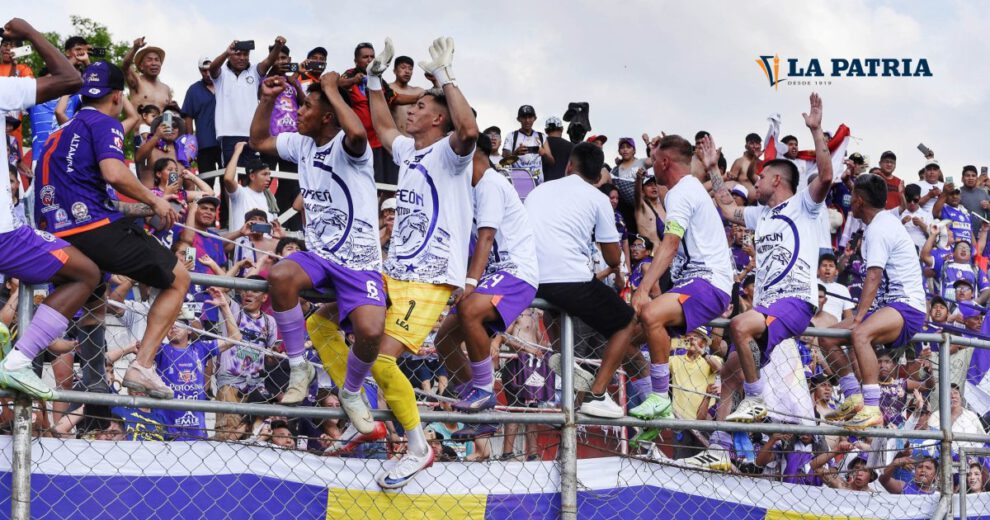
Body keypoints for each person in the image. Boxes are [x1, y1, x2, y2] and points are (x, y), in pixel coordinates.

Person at [33, 61, 189, 400]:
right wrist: (156, 200)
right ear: (118, 97)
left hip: (57, 234)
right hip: (92, 229)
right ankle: (142, 365)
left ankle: (92, 395)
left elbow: (87, 192)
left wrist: (143, 209)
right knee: (179, 277)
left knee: (94, 298)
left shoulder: (60, 130)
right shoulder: (105, 122)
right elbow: (114, 174)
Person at [366, 36, 478, 488]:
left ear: (438, 118)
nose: (408, 111)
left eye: (418, 107)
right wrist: (374, 79)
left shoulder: (451, 153)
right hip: (396, 272)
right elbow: (382, 125)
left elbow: (469, 130)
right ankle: (358, 412)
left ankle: (417, 447)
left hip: (429, 281)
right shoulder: (410, 152)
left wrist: (446, 77)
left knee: (382, 361)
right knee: (327, 320)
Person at [249, 71, 387, 416]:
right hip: (321, 257)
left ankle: (351, 392)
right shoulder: (301, 143)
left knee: (371, 332)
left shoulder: (349, 147)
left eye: (306, 106)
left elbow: (358, 133)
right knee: (280, 275)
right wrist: (266, 99)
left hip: (359, 263)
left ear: (327, 116)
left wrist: (329, 87)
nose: (297, 111)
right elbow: (259, 140)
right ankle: (299, 367)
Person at [698, 93, 832, 426]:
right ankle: (719, 443)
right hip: (766, 306)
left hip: (794, 301)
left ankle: (756, 399)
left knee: (738, 326)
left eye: (760, 177)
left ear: (776, 179)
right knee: (729, 374)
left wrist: (816, 131)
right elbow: (727, 208)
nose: (755, 181)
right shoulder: (761, 214)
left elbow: (827, 177)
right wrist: (713, 168)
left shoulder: (803, 205)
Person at [0, 18, 104, 401]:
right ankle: (17, 362)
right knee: (85, 273)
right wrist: (28, 32)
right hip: (4, 235)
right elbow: (70, 78)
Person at [625, 134, 734, 421]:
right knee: (626, 341)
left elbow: (670, 244)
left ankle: (660, 398)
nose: (650, 166)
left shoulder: (683, 191)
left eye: (654, 160)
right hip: (691, 281)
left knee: (650, 313)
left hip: (707, 280)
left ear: (664, 162)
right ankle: (657, 410)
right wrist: (711, 168)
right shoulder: (683, 189)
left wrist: (643, 289)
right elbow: (669, 189)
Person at [526, 141, 638, 418]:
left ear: (569, 166)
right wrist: (613, 260)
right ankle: (597, 394)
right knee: (627, 321)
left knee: (554, 308)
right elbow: (613, 257)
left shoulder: (539, 190)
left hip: (531, 278)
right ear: (599, 176)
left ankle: (564, 355)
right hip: (569, 279)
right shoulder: (598, 198)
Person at [434, 132, 538, 413]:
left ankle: (483, 389)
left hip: (516, 271)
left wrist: (468, 284)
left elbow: (486, 238)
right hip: (492, 275)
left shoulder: (490, 183)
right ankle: (482, 413)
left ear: (471, 152)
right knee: (443, 340)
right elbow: (468, 247)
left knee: (468, 308)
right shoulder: (468, 191)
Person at [818, 174, 927, 429]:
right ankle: (853, 397)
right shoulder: (879, 223)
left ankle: (871, 406)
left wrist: (858, 317)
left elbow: (874, 275)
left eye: (852, 197)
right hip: (887, 307)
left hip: (906, 306)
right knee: (826, 338)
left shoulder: (880, 228)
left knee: (860, 333)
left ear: (858, 200)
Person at [155, 292, 240, 439]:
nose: (173, 326)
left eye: (179, 322)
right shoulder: (159, 350)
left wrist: (225, 307)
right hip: (167, 434)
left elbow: (235, 338)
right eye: (170, 323)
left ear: (190, 329)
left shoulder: (200, 348)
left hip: (197, 433)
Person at [209, 37, 284, 166]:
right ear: (230, 56)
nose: (242, 58)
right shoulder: (222, 74)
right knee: (231, 173)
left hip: (252, 135)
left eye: (246, 54)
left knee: (252, 174)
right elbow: (212, 68)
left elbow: (269, 61)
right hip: (228, 134)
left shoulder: (254, 72)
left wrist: (278, 46)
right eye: (238, 54)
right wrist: (226, 52)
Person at [223, 142, 276, 231]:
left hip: (266, 240)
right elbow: (228, 179)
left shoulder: (270, 197)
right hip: (244, 240)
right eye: (264, 174)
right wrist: (237, 152)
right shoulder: (241, 193)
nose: (269, 179)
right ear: (252, 176)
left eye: (269, 175)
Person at [181, 56, 220, 173]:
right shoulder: (193, 90)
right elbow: (188, 118)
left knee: (227, 178)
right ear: (200, 70)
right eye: (204, 70)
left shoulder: (224, 85)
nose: (208, 73)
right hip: (204, 144)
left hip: (224, 142)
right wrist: (191, 145)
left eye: (210, 69)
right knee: (206, 179)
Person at [502, 105, 554, 180]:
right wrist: (515, 153)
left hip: (538, 183)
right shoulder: (511, 136)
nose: (527, 120)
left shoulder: (542, 136)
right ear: (518, 119)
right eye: (524, 117)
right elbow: (504, 162)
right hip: (517, 181)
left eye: (530, 117)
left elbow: (552, 162)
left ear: (535, 118)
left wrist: (544, 153)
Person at [121, 37, 172, 111]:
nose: (154, 63)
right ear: (141, 66)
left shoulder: (166, 89)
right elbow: (125, 66)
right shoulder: (137, 81)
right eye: (149, 60)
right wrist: (135, 48)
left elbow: (171, 112)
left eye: (157, 60)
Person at [818, 253, 853, 322]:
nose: (827, 268)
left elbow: (849, 317)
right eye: (824, 265)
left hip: (835, 327)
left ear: (836, 271)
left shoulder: (843, 289)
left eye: (831, 266)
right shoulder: (811, 284)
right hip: (812, 326)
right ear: (818, 271)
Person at [959, 165, 990, 236]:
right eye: (967, 175)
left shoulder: (983, 193)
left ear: (977, 178)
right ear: (962, 178)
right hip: (963, 234)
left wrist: (988, 206)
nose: (971, 178)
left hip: (981, 234)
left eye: (973, 176)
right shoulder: (957, 192)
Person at [899, 184, 931, 249]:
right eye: (909, 200)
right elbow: (892, 233)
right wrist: (902, 223)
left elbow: (932, 235)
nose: (912, 203)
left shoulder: (927, 215)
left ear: (919, 198)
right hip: (903, 249)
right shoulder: (899, 213)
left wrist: (921, 224)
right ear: (905, 198)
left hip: (922, 249)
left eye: (915, 200)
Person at [543, 116, 572, 183]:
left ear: (546, 131)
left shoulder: (540, 145)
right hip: (563, 185)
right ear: (562, 129)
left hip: (542, 185)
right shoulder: (572, 146)